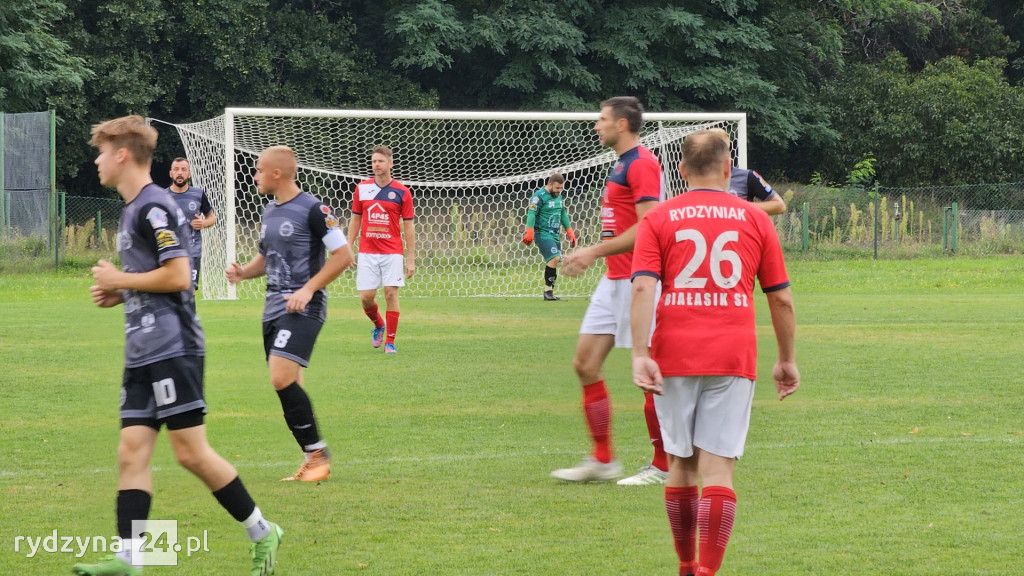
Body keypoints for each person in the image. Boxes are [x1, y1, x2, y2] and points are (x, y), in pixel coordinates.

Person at [75, 115, 282, 576]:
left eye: (102, 152)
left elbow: (179, 276)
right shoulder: (132, 209)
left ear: (122, 154)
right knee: (131, 451)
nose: (97, 161)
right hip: (140, 350)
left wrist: (120, 280)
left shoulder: (155, 206)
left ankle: (262, 531)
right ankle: (128, 558)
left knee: (191, 452)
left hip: (173, 347)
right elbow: (152, 278)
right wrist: (120, 292)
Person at [630, 129, 800, 576]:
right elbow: (781, 298)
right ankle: (707, 571)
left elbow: (643, 286)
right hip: (732, 355)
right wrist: (786, 359)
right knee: (718, 471)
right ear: (728, 169)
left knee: (681, 466)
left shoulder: (659, 217)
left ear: (681, 170)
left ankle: (686, 566)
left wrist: (640, 353)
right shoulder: (755, 219)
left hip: (673, 354)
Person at [551, 96, 669, 486]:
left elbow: (649, 226)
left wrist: (593, 251)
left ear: (622, 124)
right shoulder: (621, 163)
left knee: (648, 374)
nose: (596, 125)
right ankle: (603, 460)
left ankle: (663, 465)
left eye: (602, 118)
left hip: (641, 281)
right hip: (613, 279)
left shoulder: (643, 163)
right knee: (585, 364)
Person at [226, 145, 353, 482]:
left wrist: (308, 289)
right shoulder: (269, 211)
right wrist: (243, 273)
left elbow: (344, 256)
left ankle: (318, 454)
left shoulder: (314, 209)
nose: (255, 176)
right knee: (289, 384)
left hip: (304, 308)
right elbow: (266, 259)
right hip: (272, 310)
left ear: (276, 173)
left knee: (280, 377)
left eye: (258, 170)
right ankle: (311, 460)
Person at [347, 145, 415, 354]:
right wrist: (348, 247)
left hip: (392, 251)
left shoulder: (402, 192)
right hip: (367, 251)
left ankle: (390, 342)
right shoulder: (362, 188)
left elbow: (409, 226)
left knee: (390, 293)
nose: (376, 164)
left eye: (381, 161)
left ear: (390, 163)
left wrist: (410, 257)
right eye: (374, 161)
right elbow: (355, 219)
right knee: (366, 297)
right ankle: (379, 324)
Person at [522, 173, 578, 300]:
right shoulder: (539, 196)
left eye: (561, 188)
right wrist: (529, 230)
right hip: (542, 233)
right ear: (550, 184)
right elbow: (531, 213)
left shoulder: (558, 196)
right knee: (555, 258)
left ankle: (549, 292)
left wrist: (569, 231)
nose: (559, 190)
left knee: (555, 260)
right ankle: (547, 292)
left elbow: (563, 213)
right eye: (557, 188)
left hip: (555, 235)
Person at [708, 129, 786, 215]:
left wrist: (740, 207)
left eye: (721, 148)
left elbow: (780, 206)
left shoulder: (748, 176)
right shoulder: (698, 178)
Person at [166, 156, 216, 289]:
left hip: (193, 251)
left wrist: (203, 223)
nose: (180, 173)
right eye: (176, 169)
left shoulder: (198, 194)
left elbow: (212, 218)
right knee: (171, 289)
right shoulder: (162, 196)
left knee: (190, 289)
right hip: (170, 252)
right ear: (171, 173)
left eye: (183, 169)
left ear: (189, 173)